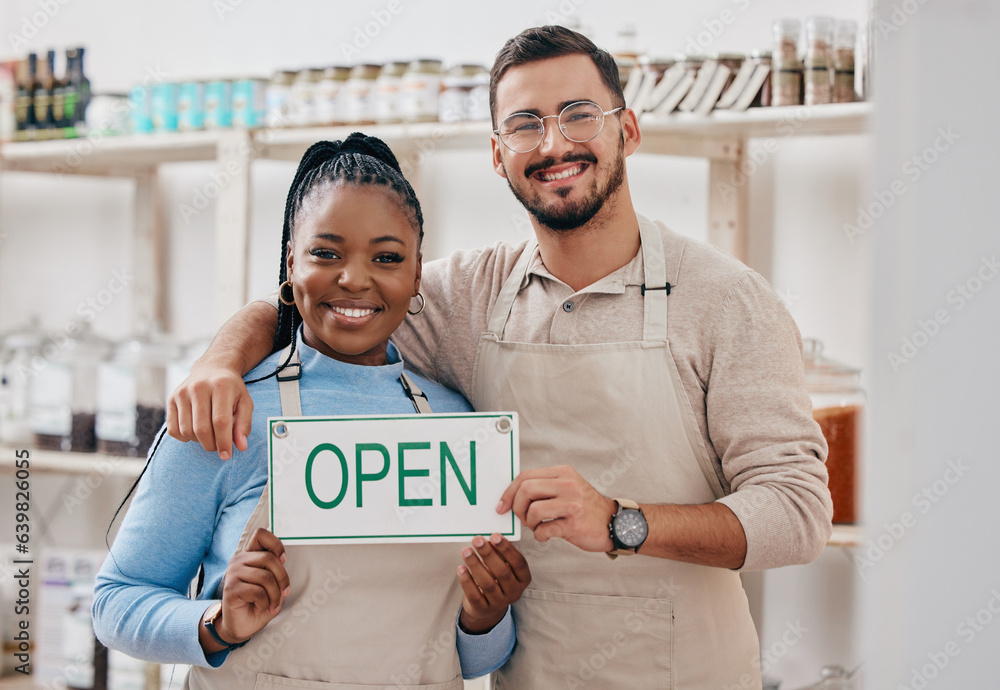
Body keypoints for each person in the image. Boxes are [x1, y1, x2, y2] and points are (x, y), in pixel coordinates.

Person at [167, 27, 833, 689]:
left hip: (685, 672)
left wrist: (619, 523)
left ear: (627, 130)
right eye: (525, 125)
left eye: (579, 115)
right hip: (528, 674)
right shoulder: (470, 295)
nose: (554, 144)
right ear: (496, 154)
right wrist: (218, 365)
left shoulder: (727, 300)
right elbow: (322, 300)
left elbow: (797, 514)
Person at [93, 134, 531, 689]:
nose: (354, 278)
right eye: (326, 253)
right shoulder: (227, 414)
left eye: (387, 257)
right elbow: (115, 602)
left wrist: (484, 617)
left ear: (417, 274)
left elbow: (473, 660)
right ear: (291, 263)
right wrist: (216, 625)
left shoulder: (456, 424)